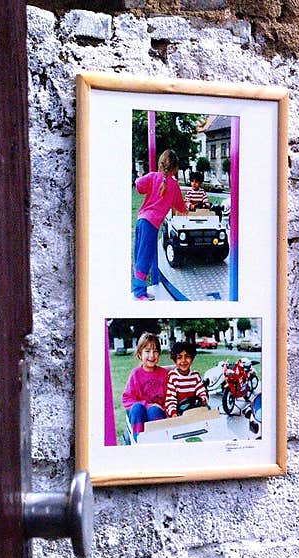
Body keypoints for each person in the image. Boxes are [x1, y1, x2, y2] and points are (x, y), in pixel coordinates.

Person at [132, 149, 187, 300]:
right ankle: (138, 293)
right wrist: (187, 209)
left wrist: (144, 179)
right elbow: (181, 207)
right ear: (175, 168)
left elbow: (138, 186)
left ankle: (139, 289)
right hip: (150, 225)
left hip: (141, 221)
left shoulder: (152, 177)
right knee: (144, 257)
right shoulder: (174, 186)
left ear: (161, 163)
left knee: (139, 255)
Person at [121, 333, 168, 437]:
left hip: (158, 414)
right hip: (139, 414)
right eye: (147, 351)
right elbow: (127, 399)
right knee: (137, 407)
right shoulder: (136, 374)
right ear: (139, 354)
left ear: (159, 354)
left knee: (154, 410)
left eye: (155, 351)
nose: (151, 355)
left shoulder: (164, 374)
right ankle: (139, 440)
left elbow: (170, 396)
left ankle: (157, 440)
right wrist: (147, 405)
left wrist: (163, 407)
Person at [164, 341, 209, 417]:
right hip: (178, 413)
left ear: (192, 359)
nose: (183, 360)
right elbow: (170, 399)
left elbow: (202, 392)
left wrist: (203, 399)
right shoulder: (173, 376)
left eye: (187, 356)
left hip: (194, 411)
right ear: (175, 360)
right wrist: (173, 413)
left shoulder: (195, 376)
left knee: (208, 413)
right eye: (179, 357)